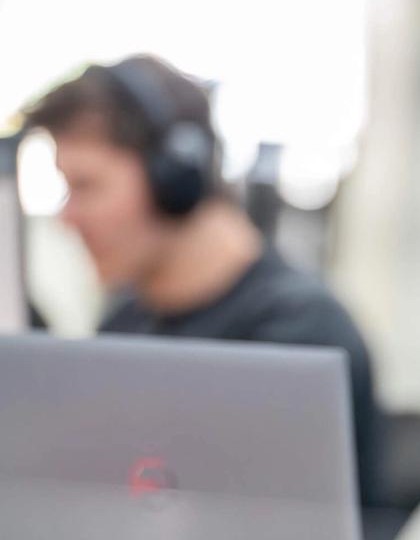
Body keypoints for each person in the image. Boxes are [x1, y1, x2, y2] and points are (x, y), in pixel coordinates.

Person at [24, 55, 382, 504]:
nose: (67, 218)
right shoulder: (126, 323)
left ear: (174, 177)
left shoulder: (299, 335)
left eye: (87, 185)